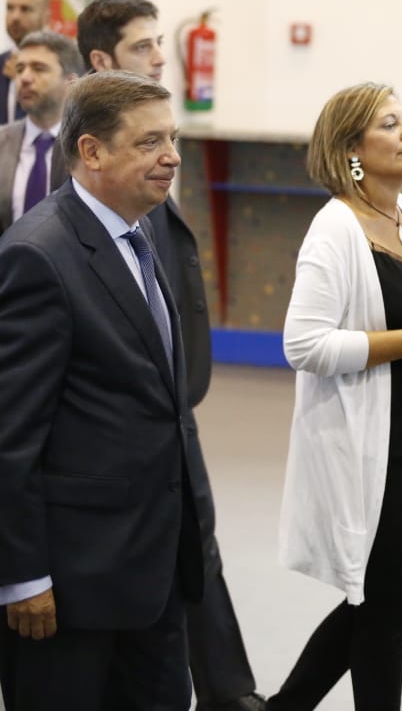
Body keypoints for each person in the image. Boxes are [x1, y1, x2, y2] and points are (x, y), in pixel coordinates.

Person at [0, 71, 213, 710]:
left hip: (152, 574)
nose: (171, 155)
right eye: (150, 142)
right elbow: (9, 438)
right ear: (91, 152)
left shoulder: (140, 233)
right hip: (68, 589)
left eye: (172, 138)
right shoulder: (39, 256)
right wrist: (22, 577)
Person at [77, 0, 266, 709]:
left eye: (161, 43)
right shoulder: (96, 172)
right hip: (111, 430)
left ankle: (229, 692)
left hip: (169, 405)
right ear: (100, 61)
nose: (161, 56)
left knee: (195, 551)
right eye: (143, 46)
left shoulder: (146, 156)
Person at [271, 83, 402, 711]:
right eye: (388, 124)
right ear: (352, 149)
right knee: (389, 608)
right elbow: (303, 344)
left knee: (385, 604)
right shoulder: (334, 229)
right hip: (358, 442)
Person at [0, 31, 79, 234]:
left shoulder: (85, 147)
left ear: (70, 83)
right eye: (20, 68)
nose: (25, 78)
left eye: (38, 68)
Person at [1, 0, 50, 123]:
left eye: (25, 9)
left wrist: (23, 80)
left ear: (46, 17)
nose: (15, 17)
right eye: (10, 8)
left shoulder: (67, 64)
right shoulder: (2, 62)